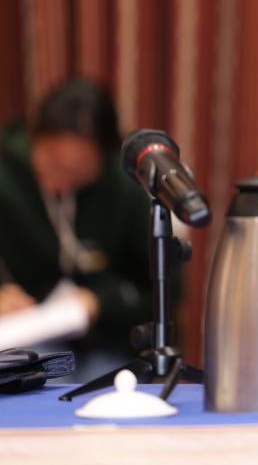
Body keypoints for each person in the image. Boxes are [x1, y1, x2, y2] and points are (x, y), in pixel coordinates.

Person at [0, 79, 155, 372]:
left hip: (110, 341)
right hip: (26, 338)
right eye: (52, 162)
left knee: (104, 383)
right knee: (35, 375)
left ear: (104, 157)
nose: (60, 179)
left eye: (78, 168)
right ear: (34, 139)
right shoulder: (7, 178)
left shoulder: (125, 190)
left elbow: (158, 292)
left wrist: (100, 302)